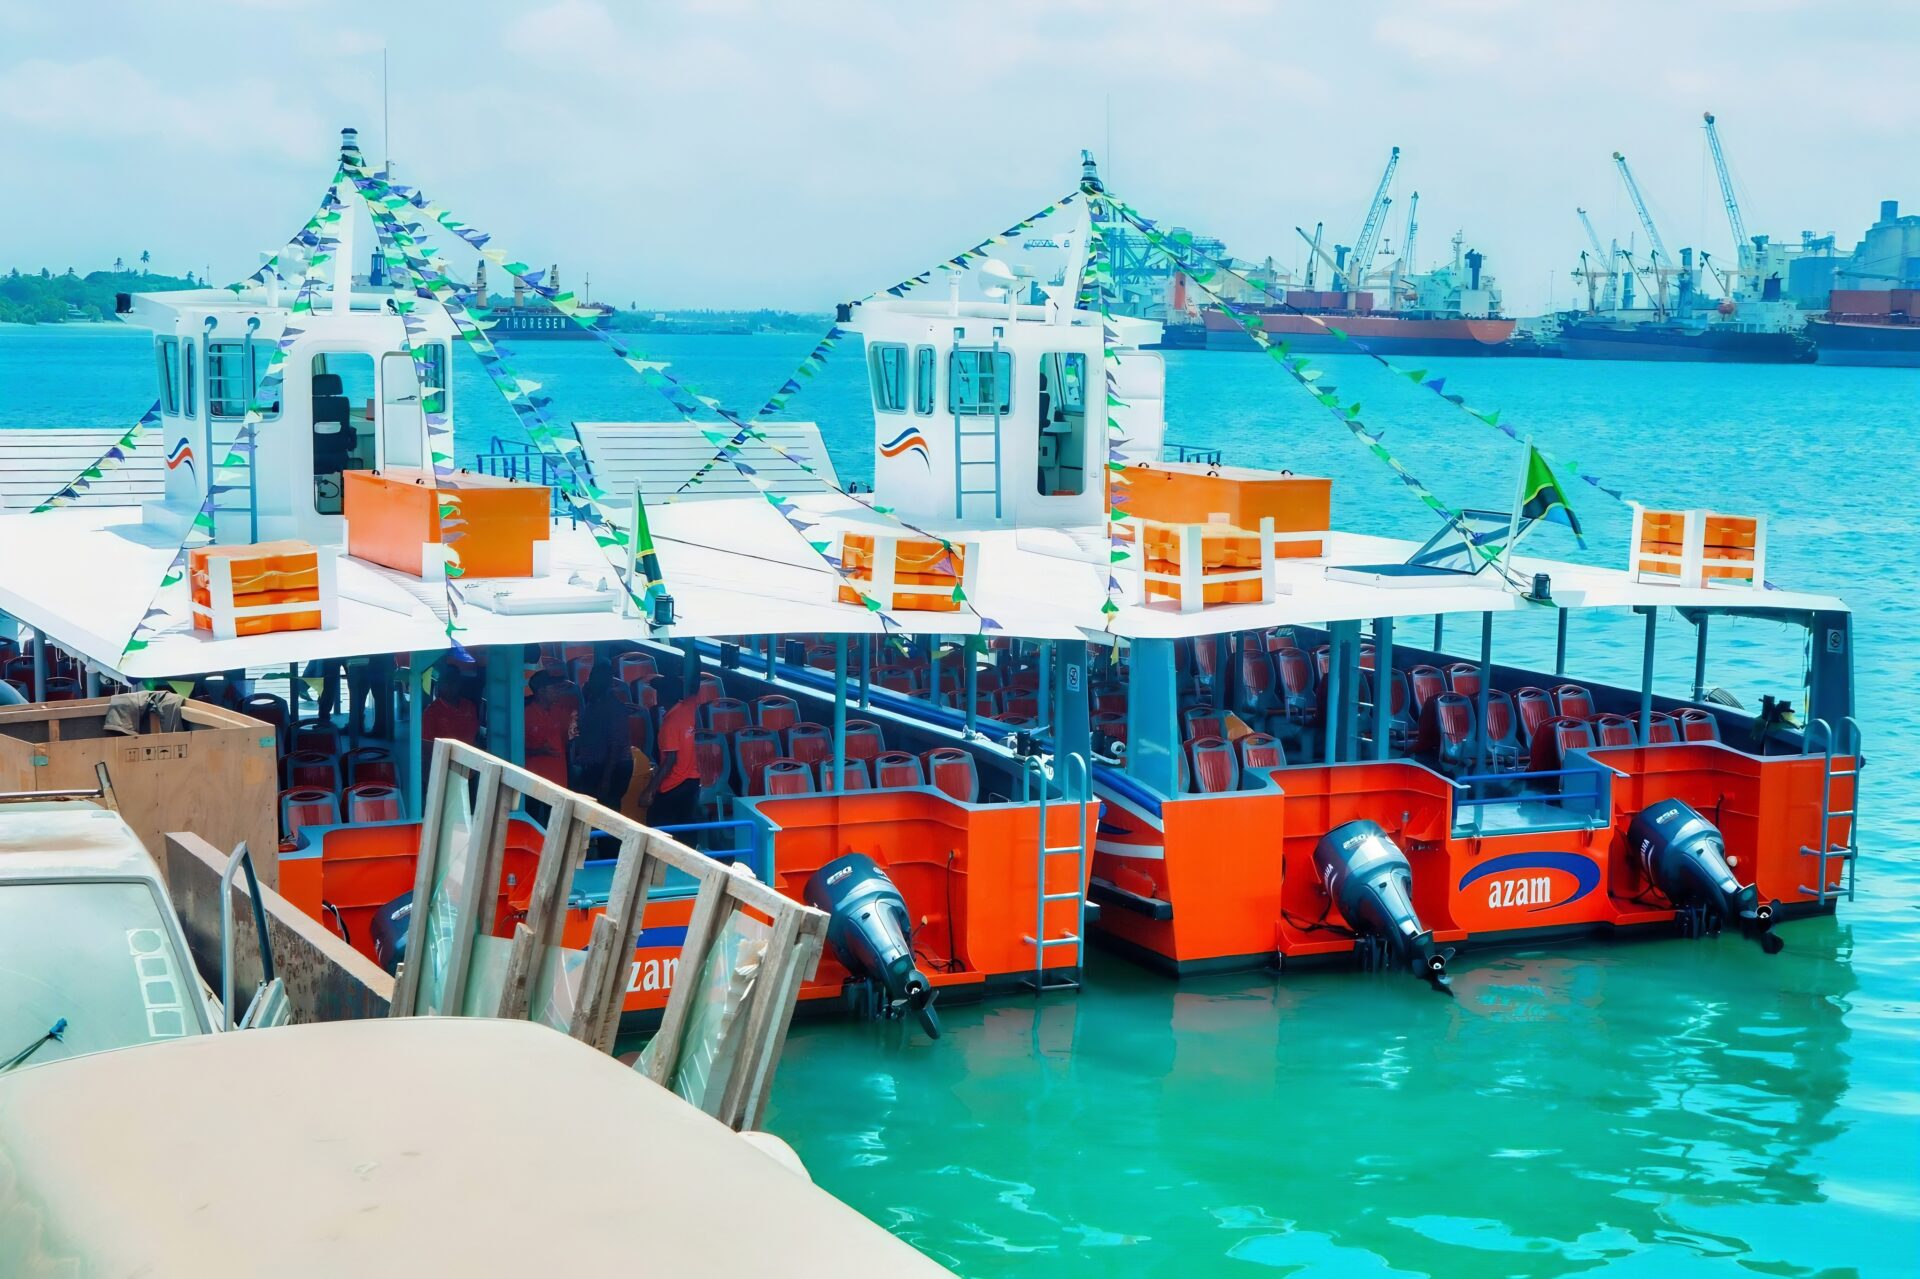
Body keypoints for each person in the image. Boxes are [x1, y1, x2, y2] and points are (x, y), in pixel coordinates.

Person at [643, 653, 702, 833]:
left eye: (659, 691)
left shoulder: (669, 724)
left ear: (663, 696)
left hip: (673, 785)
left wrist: (650, 790)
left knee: (656, 825)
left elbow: (669, 761)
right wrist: (694, 655)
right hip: (692, 782)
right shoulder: (689, 707)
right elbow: (695, 684)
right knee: (687, 830)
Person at [570, 661, 631, 811]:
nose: (592, 681)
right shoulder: (593, 703)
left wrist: (606, 779)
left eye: (598, 678)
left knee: (608, 812)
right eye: (592, 676)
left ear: (607, 682)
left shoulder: (615, 708)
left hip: (612, 769)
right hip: (593, 766)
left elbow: (615, 747)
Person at [523, 671, 576, 792]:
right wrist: (539, 751)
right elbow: (517, 749)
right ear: (541, 691)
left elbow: (570, 739)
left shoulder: (561, 711)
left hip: (558, 781)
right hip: (534, 784)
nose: (557, 691)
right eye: (553, 688)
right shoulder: (526, 714)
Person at [420, 658, 480, 748]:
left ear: (459, 684)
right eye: (446, 682)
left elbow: (473, 734)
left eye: (453, 682)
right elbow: (428, 745)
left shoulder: (469, 707)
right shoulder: (430, 713)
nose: (449, 686)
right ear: (440, 685)